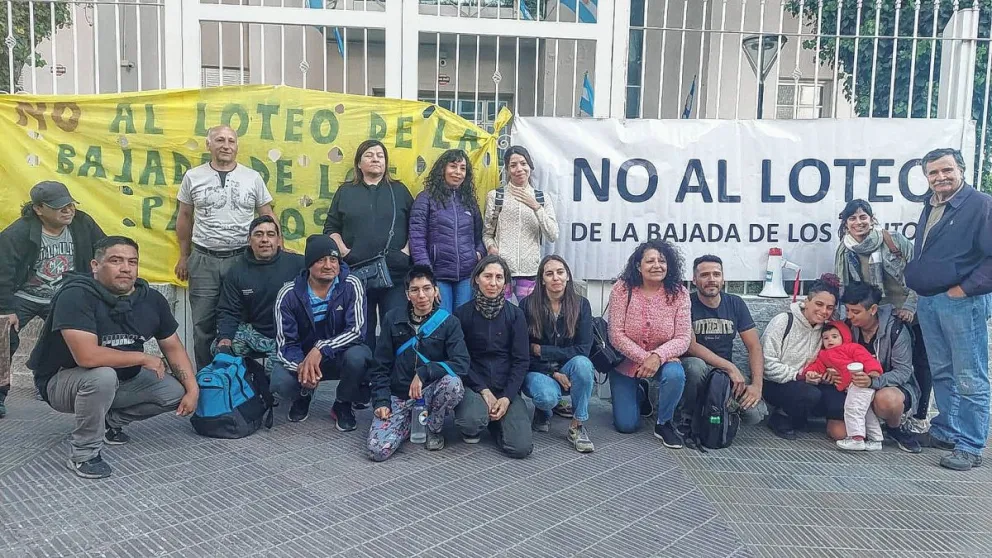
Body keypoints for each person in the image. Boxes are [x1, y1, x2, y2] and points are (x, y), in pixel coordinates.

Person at [26, 236, 198, 479]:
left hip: (122, 379)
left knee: (173, 392)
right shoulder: (75, 295)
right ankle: (84, 453)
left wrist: (192, 390)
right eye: (116, 261)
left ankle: (110, 422)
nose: (126, 268)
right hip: (62, 381)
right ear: (95, 266)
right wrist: (142, 357)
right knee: (101, 376)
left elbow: (172, 347)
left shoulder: (150, 299)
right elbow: (87, 356)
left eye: (132, 261)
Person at [905, 148, 992, 471]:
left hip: (961, 303)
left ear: (962, 170)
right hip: (930, 301)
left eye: (946, 171)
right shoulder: (932, 204)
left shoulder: (980, 205)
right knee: (942, 371)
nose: (940, 177)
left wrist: (964, 289)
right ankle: (946, 430)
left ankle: (970, 445)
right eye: (933, 173)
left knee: (969, 376)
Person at [0, 181, 105, 416]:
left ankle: (49, 385)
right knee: (2, 336)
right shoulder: (17, 233)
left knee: (71, 338)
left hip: (65, 295)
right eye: (60, 207)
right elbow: (3, 271)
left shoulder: (82, 223)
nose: (68, 211)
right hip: (25, 295)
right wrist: (6, 308)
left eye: (70, 205)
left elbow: (103, 248)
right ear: (39, 209)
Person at [175, 125, 275, 370]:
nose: (226, 145)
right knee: (203, 325)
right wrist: (183, 256)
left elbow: (267, 215)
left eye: (231, 140)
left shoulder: (252, 177)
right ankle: (207, 383)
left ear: (237, 146)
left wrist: (276, 249)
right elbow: (185, 217)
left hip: (241, 259)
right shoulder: (193, 176)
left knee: (241, 324)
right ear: (208, 145)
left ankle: (238, 380)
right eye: (220, 140)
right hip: (203, 259)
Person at [834, 198, 929, 432]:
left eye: (863, 217)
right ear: (846, 224)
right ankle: (881, 410)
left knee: (920, 363)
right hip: (874, 314)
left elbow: (919, 273)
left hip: (909, 310)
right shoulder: (845, 251)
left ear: (872, 219)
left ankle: (917, 418)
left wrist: (909, 307)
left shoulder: (892, 240)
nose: (859, 222)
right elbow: (844, 288)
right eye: (853, 218)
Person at [367, 265, 468, 461]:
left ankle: (432, 427)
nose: (421, 295)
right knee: (377, 450)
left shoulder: (449, 322)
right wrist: (381, 400)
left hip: (430, 394)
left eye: (427, 288)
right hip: (400, 395)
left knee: (453, 385)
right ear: (407, 294)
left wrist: (425, 372)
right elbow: (380, 365)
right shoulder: (392, 319)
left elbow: (461, 363)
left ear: (436, 291)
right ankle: (406, 424)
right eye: (415, 290)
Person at [272, 235, 373, 432]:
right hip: (303, 359)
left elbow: (356, 331)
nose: (328, 265)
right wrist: (303, 368)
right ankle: (304, 395)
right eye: (321, 260)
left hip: (337, 355)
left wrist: (321, 348)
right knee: (280, 380)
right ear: (309, 264)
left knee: (359, 357)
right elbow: (285, 345)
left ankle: (342, 403)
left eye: (333, 259)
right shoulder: (289, 294)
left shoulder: (351, 284)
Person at [322, 140, 414, 352]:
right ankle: (365, 381)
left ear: (386, 162)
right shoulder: (345, 191)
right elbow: (330, 227)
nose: (375, 159)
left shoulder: (399, 190)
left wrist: (406, 251)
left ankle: (393, 381)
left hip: (395, 274)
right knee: (362, 331)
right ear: (359, 163)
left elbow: (415, 225)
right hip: (357, 274)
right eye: (369, 155)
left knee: (397, 329)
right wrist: (345, 251)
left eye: (380, 155)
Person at [608, 240, 690, 449]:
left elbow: (683, 338)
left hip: (663, 361)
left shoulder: (679, 293)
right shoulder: (622, 289)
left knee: (676, 374)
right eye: (650, 261)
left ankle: (664, 423)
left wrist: (657, 357)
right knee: (626, 425)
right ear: (638, 266)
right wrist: (646, 359)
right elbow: (615, 335)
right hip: (625, 363)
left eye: (662, 261)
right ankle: (641, 392)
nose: (657, 265)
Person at [453, 255, 532, 458]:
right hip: (475, 386)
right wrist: (484, 391)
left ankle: (498, 424)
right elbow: (460, 359)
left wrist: (506, 397)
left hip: (506, 387)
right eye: (488, 276)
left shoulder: (515, 315)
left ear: (505, 283)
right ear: (477, 279)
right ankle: (480, 420)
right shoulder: (462, 315)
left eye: (499, 277)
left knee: (521, 448)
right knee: (471, 422)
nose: (493, 283)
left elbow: (521, 360)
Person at [679, 255, 767, 431]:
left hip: (723, 373)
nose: (711, 279)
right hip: (698, 369)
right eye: (704, 275)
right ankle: (685, 419)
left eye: (716, 274)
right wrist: (730, 368)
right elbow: (691, 346)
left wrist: (757, 385)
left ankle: (718, 408)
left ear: (723, 278)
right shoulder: (685, 303)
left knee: (755, 415)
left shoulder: (735, 303)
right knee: (694, 367)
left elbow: (754, 347)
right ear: (694, 280)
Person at [519, 255, 595, 453]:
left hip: (569, 368)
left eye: (560, 272)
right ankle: (544, 409)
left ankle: (577, 425)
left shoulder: (581, 305)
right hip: (537, 370)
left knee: (583, 364)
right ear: (542, 279)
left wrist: (542, 350)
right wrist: (552, 372)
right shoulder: (527, 305)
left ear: (568, 276)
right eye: (549, 274)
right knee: (546, 397)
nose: (556, 278)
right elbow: (523, 351)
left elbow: (583, 349)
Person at [214, 215, 303, 374]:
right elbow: (228, 311)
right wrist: (225, 339)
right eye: (258, 234)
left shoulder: (298, 264)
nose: (264, 239)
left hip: (290, 335)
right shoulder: (237, 271)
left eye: (270, 234)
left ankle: (286, 394)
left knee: (279, 378)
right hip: (257, 332)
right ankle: (246, 386)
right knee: (219, 347)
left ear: (278, 240)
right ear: (249, 239)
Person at [841, 282, 922, 453]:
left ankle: (895, 427)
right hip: (854, 388)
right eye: (847, 310)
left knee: (887, 400)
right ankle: (867, 430)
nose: (850, 316)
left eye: (856, 312)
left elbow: (903, 372)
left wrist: (873, 381)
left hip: (890, 387)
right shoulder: (847, 327)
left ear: (873, 309)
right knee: (837, 432)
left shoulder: (896, 330)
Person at [760, 274, 844, 441]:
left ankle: (800, 415)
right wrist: (799, 374)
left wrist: (828, 373)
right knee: (809, 394)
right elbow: (766, 363)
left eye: (829, 307)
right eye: (819, 304)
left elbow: (833, 357)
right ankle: (781, 416)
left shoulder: (827, 330)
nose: (823, 311)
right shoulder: (784, 321)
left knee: (838, 402)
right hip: (777, 382)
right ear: (806, 301)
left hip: (811, 381)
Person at [408, 149, 486, 313]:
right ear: (442, 168)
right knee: (442, 323)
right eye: (453, 166)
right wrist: (427, 277)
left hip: (466, 276)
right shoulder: (426, 198)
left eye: (463, 168)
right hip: (438, 275)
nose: (458, 172)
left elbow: (480, 236)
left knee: (463, 323)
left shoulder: (469, 202)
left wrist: (477, 254)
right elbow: (417, 240)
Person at [482, 146, 559, 302]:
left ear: (530, 165)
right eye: (513, 165)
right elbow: (487, 233)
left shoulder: (541, 198)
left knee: (530, 317)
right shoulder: (496, 196)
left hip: (530, 271)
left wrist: (536, 207)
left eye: (523, 163)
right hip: (502, 271)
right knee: (502, 317)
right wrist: (491, 247)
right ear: (508, 170)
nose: (519, 169)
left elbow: (553, 235)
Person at [801, 320, 884, 451]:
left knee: (852, 409)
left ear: (844, 336)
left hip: (861, 383)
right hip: (850, 387)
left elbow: (867, 359)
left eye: (835, 336)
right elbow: (817, 367)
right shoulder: (824, 355)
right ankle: (876, 439)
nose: (830, 340)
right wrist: (810, 373)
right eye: (825, 338)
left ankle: (856, 439)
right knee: (866, 413)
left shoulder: (852, 347)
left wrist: (873, 372)